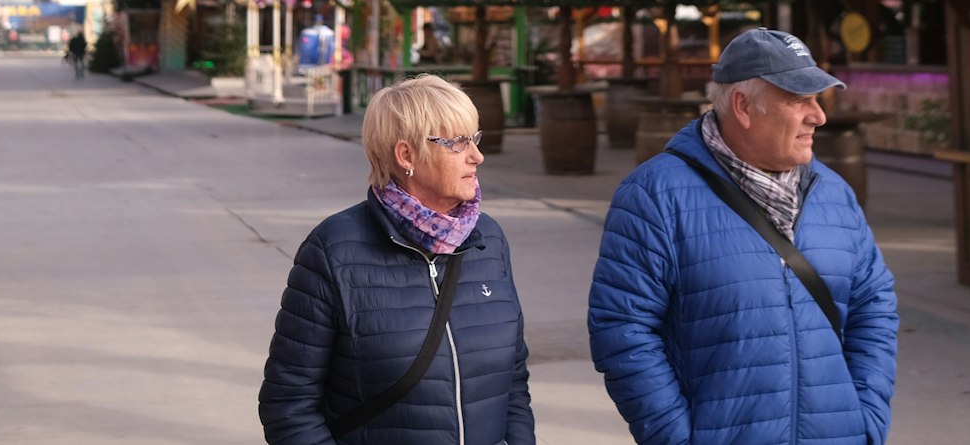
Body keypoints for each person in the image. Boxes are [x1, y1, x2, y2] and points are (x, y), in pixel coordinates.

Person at [588, 29, 898, 444]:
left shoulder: (834, 193)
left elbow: (874, 307)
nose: (818, 116)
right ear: (743, 106)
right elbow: (622, 329)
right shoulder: (653, 195)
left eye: (817, 99)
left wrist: (867, 420)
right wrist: (677, 439)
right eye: (798, 99)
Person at [259, 74, 532, 444]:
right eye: (458, 142)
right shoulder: (335, 250)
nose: (477, 155)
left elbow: (512, 384)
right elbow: (288, 403)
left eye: (475, 138)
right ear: (407, 156)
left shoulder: (488, 240)